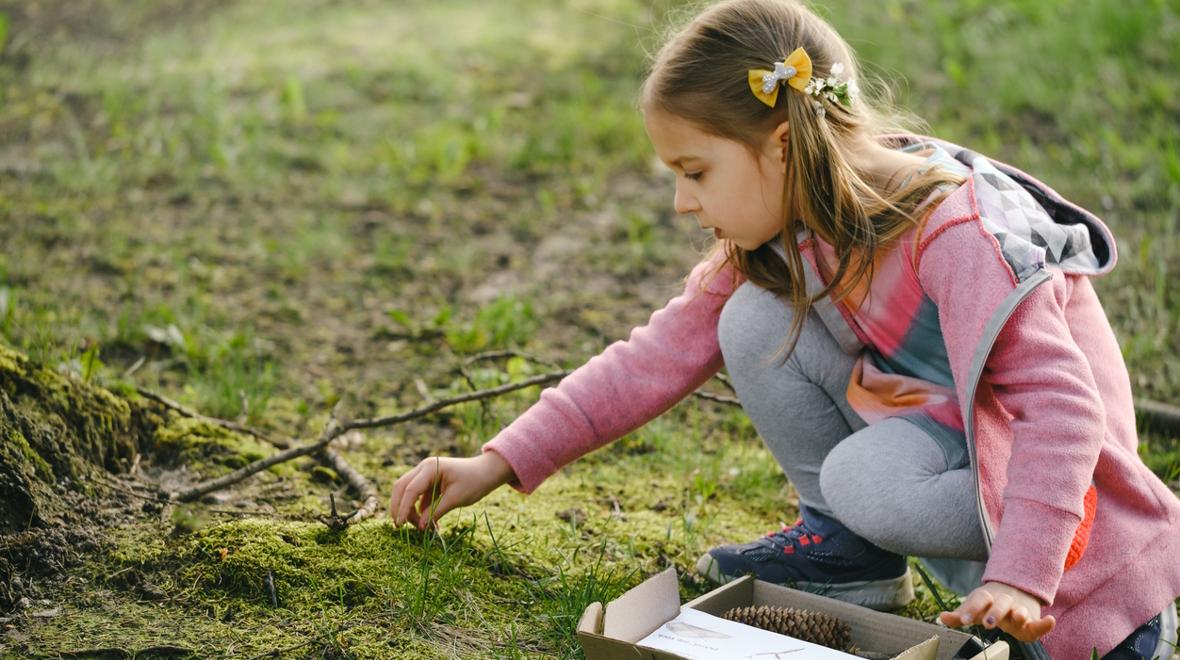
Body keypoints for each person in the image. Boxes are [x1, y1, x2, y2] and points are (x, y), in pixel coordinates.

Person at [389, 0, 1180, 656]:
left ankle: (1043, 606)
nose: (682, 203)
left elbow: (1064, 413)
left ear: (779, 144)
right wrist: (496, 462)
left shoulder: (960, 234)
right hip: (957, 444)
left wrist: (1023, 577)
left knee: (866, 477)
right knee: (754, 316)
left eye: (694, 172)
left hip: (1080, 517)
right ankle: (849, 556)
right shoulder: (795, 224)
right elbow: (654, 356)